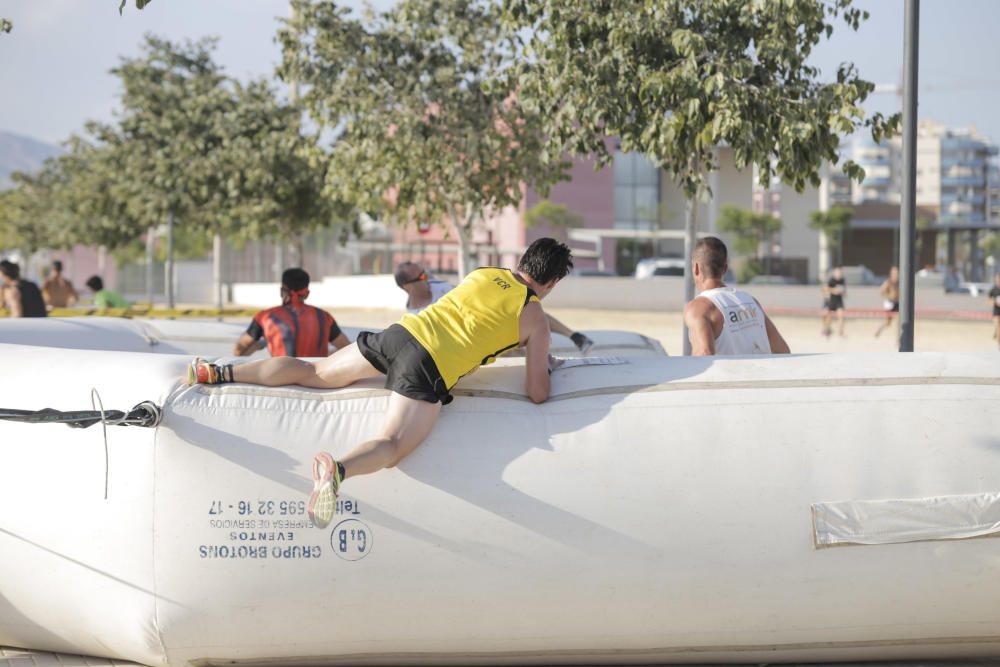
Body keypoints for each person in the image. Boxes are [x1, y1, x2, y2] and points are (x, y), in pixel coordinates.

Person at [189, 238, 574, 528]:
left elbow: (479, 322)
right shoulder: (536, 319)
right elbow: (537, 393)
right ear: (552, 282)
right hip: (428, 367)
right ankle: (337, 471)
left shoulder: (483, 274)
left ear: (522, 261)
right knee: (393, 446)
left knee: (315, 373)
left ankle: (220, 372)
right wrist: (544, 360)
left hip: (399, 335)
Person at [395, 260, 594, 354]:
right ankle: (540, 359)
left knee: (528, 307)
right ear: (408, 287)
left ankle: (573, 335)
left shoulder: (438, 286)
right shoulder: (416, 315)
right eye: (421, 276)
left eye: (426, 272)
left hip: (484, 312)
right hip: (471, 336)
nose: (427, 277)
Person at [683, 236, 789, 356]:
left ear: (696, 268)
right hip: (761, 374)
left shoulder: (698, 308)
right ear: (726, 268)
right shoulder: (751, 301)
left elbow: (704, 353)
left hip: (729, 375)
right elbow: (783, 349)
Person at [233, 267, 350, 357]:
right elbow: (347, 348)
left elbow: (239, 351)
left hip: (282, 380)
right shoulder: (324, 317)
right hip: (316, 381)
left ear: (281, 291)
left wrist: (259, 345)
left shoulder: (265, 317)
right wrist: (327, 358)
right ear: (307, 294)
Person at [821, 266, 847, 338]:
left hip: (839, 301)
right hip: (832, 301)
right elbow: (825, 289)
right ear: (834, 273)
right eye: (837, 272)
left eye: (839, 272)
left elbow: (844, 291)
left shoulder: (842, 280)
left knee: (841, 315)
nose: (838, 274)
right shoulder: (831, 280)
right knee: (828, 317)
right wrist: (834, 290)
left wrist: (843, 292)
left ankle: (840, 332)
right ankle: (827, 330)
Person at [874, 266, 900, 338]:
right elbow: (881, 292)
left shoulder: (899, 282)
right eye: (894, 273)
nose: (895, 274)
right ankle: (880, 329)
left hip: (897, 303)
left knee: (898, 322)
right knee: (888, 323)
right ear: (891, 274)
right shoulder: (888, 282)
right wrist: (889, 296)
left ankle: (898, 340)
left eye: (897, 273)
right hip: (890, 303)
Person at [989, 273, 1000, 350]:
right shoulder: (993, 290)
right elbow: (988, 299)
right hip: (996, 311)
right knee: (997, 327)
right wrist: (994, 302)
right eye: (997, 280)